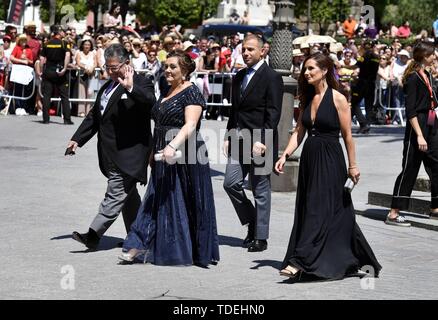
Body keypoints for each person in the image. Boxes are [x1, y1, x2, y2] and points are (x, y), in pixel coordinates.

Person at [275, 52, 382, 280]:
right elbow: (299, 132)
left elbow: (348, 136)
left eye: (311, 69)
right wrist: (285, 154)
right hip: (310, 159)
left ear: (324, 71)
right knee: (323, 209)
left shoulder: (338, 98)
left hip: (330, 159)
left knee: (317, 208)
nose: (306, 73)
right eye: (305, 69)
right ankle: (348, 257)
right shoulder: (307, 97)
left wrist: (353, 166)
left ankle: (300, 260)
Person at [119, 50, 220, 267]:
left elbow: (190, 125)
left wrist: (172, 146)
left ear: (185, 70)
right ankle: (137, 245)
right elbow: (157, 119)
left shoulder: (192, 92)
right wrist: (152, 152)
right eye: (166, 66)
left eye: (173, 67)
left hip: (187, 152)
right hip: (163, 152)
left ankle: (194, 250)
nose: (168, 70)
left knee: (189, 200)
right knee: (156, 198)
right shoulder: (166, 89)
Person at [69, 44, 156, 250]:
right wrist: (77, 139)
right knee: (128, 197)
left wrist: (130, 87)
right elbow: (95, 117)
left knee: (116, 193)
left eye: (114, 67)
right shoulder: (108, 86)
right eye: (107, 67)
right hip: (109, 153)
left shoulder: (142, 82)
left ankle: (93, 234)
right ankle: (139, 239)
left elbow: (150, 103)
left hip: (130, 154)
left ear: (127, 63)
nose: (110, 71)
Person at [223, 34, 283, 253]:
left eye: (250, 49)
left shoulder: (272, 77)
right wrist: (228, 136)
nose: (246, 53)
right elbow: (234, 110)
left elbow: (273, 113)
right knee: (230, 183)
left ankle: (261, 236)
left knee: (260, 189)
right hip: (239, 139)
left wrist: (263, 140)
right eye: (243, 49)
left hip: (260, 142)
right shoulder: (239, 76)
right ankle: (253, 220)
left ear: (263, 51)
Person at [387, 42, 438, 225]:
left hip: (432, 124)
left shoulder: (429, 76)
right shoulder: (413, 78)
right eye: (433, 54)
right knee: (410, 168)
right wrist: (419, 135)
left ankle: (435, 208)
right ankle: (394, 213)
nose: (435, 56)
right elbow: (411, 111)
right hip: (417, 126)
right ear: (425, 55)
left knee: (435, 165)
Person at [40, 25, 73, 124]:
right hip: (60, 72)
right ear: (59, 33)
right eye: (63, 31)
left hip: (49, 71)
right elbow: (67, 56)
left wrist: (42, 71)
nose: (64, 33)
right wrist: (64, 68)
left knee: (46, 96)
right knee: (64, 96)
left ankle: (46, 119)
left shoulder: (46, 44)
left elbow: (41, 59)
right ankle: (67, 120)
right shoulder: (65, 43)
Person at [350, 40, 379, 133]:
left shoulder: (364, 56)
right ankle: (367, 125)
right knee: (368, 105)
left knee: (354, 103)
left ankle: (363, 123)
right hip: (372, 83)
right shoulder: (376, 57)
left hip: (362, 83)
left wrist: (341, 65)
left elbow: (356, 66)